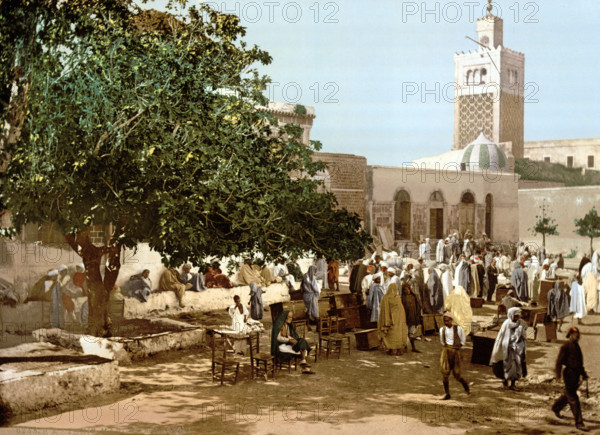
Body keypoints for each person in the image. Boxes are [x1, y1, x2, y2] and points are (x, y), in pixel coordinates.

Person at [552, 327, 588, 430]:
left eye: (578, 334)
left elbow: (579, 363)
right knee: (573, 398)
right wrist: (558, 375)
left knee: (568, 395)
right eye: (576, 334)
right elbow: (559, 362)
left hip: (576, 375)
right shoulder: (565, 346)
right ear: (570, 335)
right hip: (568, 374)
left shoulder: (577, 346)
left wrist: (583, 374)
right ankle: (579, 422)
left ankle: (556, 407)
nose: (578, 336)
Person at [490, 307, 528, 391]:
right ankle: (505, 382)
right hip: (506, 349)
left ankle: (513, 384)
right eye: (515, 316)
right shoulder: (506, 324)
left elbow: (523, 334)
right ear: (511, 315)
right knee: (504, 366)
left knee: (516, 367)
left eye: (518, 316)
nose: (517, 318)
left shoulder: (521, 323)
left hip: (516, 349)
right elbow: (503, 337)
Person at [439, 311, 470, 400]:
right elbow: (442, 341)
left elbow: (462, 340)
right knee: (444, 373)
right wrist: (447, 348)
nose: (446, 322)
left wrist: (457, 348)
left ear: (451, 320)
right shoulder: (442, 330)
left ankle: (465, 386)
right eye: (445, 321)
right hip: (446, 351)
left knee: (457, 374)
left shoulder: (458, 329)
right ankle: (447, 393)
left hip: (455, 352)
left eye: (448, 320)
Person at [378, 282, 408, 356]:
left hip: (388, 320)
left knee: (390, 336)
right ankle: (398, 350)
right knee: (398, 335)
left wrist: (386, 320)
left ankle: (391, 350)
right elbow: (401, 310)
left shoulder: (385, 298)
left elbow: (383, 310)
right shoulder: (398, 298)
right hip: (399, 321)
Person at [401, 276, 422, 353]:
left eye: (408, 289)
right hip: (405, 318)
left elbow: (418, 307)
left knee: (412, 333)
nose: (407, 291)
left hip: (413, 318)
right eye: (405, 290)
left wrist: (418, 315)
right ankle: (405, 347)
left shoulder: (414, 297)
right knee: (405, 333)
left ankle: (413, 347)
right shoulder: (402, 298)